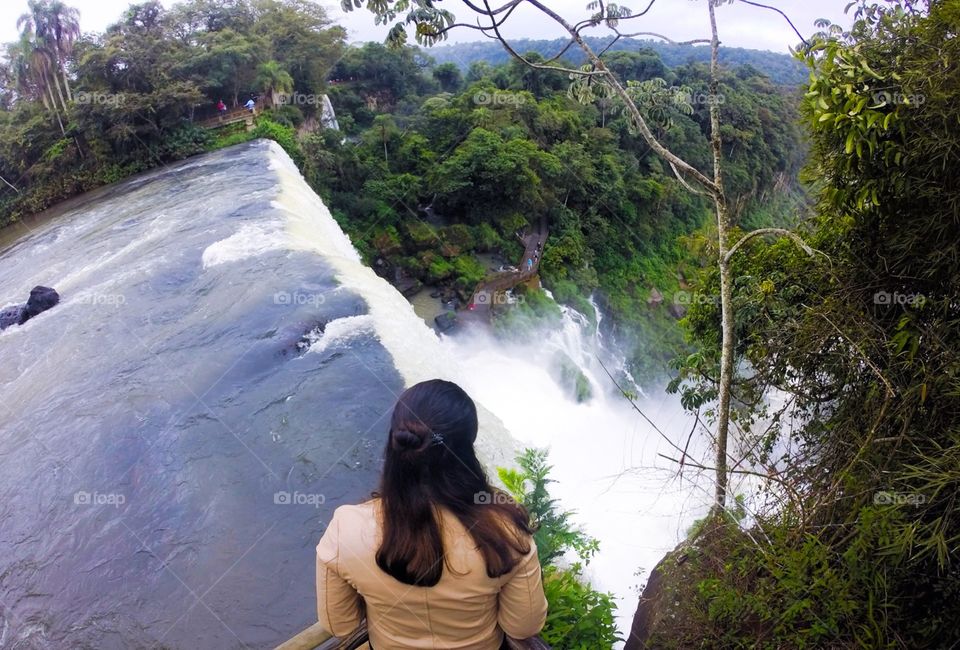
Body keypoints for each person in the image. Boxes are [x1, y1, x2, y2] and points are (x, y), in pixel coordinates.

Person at [316, 379, 547, 649]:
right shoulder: (506, 530)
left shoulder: (346, 528)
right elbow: (523, 625)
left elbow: (339, 624)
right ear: (467, 449)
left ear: (395, 443)